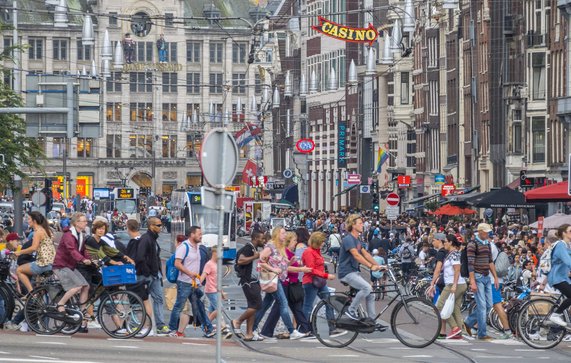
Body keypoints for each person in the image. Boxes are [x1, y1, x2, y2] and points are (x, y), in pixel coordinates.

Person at [252, 227, 307, 340]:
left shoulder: (280, 247)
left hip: (279, 279)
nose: (285, 235)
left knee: (265, 305)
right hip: (274, 280)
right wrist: (273, 269)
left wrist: (290, 262)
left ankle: (252, 328)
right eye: (283, 233)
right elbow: (261, 262)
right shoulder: (270, 246)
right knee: (283, 303)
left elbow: (282, 265)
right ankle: (292, 331)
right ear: (277, 234)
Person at [337, 214, 385, 329]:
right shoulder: (348, 239)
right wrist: (370, 266)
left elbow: (366, 254)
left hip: (354, 272)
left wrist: (378, 265)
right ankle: (351, 311)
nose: (362, 225)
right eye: (360, 223)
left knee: (370, 294)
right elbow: (356, 255)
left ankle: (371, 321)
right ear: (353, 225)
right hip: (346, 273)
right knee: (367, 288)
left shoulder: (357, 240)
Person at [168, 226, 215, 338]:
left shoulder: (198, 247)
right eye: (199, 233)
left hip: (194, 283)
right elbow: (177, 264)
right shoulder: (184, 247)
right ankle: (172, 329)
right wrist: (190, 273)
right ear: (192, 234)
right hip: (184, 282)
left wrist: (198, 280)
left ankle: (208, 329)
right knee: (179, 306)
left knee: (200, 306)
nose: (201, 235)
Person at [126, 217, 170, 335]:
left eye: (161, 225)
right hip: (147, 275)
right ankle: (135, 325)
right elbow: (140, 257)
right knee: (138, 299)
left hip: (154, 275)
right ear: (151, 226)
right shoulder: (146, 239)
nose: (161, 227)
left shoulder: (152, 238)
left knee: (158, 298)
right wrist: (147, 272)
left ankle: (160, 325)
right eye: (158, 225)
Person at [463, 223, 500, 341]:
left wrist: (495, 277)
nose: (488, 234)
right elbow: (470, 264)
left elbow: (490, 262)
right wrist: (472, 281)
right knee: (483, 306)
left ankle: (468, 322)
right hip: (478, 277)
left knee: (488, 305)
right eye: (486, 232)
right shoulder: (472, 244)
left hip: (486, 277)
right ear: (480, 232)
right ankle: (482, 333)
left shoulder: (488, 244)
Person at [51, 213, 91, 320]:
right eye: (83, 221)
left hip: (70, 266)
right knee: (76, 286)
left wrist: (91, 260)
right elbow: (72, 250)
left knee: (85, 286)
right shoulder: (69, 235)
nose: (86, 223)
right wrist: (83, 260)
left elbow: (83, 251)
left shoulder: (81, 234)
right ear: (76, 223)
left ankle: (82, 312)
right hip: (61, 265)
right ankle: (60, 304)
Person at [301, 232, 341, 336]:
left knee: (329, 302)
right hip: (311, 281)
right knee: (308, 306)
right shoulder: (309, 252)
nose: (324, 243)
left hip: (319, 281)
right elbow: (311, 269)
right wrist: (326, 275)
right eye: (322, 241)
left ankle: (332, 328)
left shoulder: (316, 251)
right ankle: (306, 329)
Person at [232, 231, 265, 341]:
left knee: (252, 306)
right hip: (248, 281)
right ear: (255, 238)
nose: (263, 241)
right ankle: (237, 321)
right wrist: (254, 257)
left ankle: (249, 333)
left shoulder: (254, 248)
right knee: (257, 305)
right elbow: (241, 260)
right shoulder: (248, 248)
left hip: (253, 280)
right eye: (262, 238)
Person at [434, 234, 467, 339]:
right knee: (455, 309)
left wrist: (454, 285)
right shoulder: (451, 253)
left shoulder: (454, 254)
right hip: (458, 284)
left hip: (453, 284)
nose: (444, 244)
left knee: (440, 305)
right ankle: (459, 332)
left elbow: (457, 269)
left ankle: (455, 328)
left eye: (445, 242)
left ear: (450, 242)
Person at [15, 211, 55, 294]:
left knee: (19, 270)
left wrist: (20, 252)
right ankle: (37, 298)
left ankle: (31, 294)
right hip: (51, 262)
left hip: (43, 263)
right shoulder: (46, 230)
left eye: (29, 219)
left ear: (34, 221)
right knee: (40, 286)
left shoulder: (38, 232)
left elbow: (34, 248)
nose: (27, 221)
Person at [200, 246, 232, 339]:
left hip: (215, 290)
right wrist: (197, 284)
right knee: (219, 309)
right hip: (210, 290)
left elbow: (218, 281)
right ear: (215, 253)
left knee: (211, 311)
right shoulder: (209, 264)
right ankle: (208, 326)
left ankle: (209, 328)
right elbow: (203, 275)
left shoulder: (217, 264)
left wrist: (221, 292)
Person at [546, 224, 571, 327]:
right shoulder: (560, 245)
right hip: (557, 278)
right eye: (570, 231)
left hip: (563, 277)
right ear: (564, 233)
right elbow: (568, 261)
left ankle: (555, 321)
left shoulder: (567, 245)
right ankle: (556, 314)